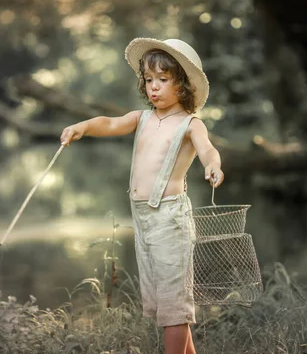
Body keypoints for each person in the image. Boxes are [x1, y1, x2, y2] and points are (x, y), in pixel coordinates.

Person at [60, 38, 224, 354]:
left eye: (163, 80)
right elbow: (108, 123)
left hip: (170, 220)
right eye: (149, 80)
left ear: (184, 85)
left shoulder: (190, 124)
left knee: (174, 308)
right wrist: (82, 127)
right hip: (144, 220)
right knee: (163, 302)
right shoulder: (142, 118)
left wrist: (213, 166)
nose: (154, 88)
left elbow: (207, 149)